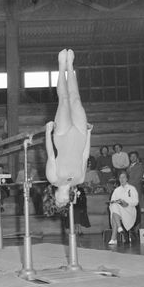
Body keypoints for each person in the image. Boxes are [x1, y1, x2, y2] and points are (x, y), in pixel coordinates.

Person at [45, 49, 92, 207]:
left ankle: (60, 66)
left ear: (54, 196)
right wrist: (89, 133)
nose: (63, 202)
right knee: (76, 99)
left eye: (59, 202)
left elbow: (51, 155)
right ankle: (70, 65)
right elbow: (85, 156)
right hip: (80, 136)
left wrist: (47, 132)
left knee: (64, 100)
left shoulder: (53, 179)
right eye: (65, 204)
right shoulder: (79, 180)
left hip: (63, 136)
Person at [108, 171, 139, 245]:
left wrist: (127, 203)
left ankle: (114, 237)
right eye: (120, 178)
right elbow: (112, 201)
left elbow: (136, 202)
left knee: (114, 213)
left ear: (127, 179)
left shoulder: (132, 188)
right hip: (119, 211)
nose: (122, 179)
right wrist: (113, 202)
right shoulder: (116, 190)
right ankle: (118, 229)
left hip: (129, 210)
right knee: (114, 206)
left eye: (123, 177)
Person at [127, 151, 144, 234]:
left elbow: (137, 179)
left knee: (137, 210)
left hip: (135, 190)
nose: (132, 158)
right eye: (131, 156)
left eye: (134, 156)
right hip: (128, 191)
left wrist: (126, 184)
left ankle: (137, 229)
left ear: (137, 157)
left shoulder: (139, 166)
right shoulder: (128, 167)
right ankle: (131, 228)